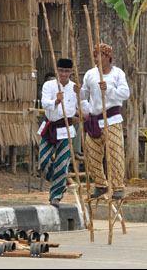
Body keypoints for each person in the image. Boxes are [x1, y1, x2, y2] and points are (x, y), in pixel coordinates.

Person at [75, 43, 130, 199]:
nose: (95, 59)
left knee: (115, 153)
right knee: (91, 154)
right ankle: (100, 185)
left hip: (112, 119)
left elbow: (125, 93)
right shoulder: (90, 74)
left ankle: (118, 186)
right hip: (94, 120)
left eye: (98, 56)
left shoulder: (117, 74)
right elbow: (85, 95)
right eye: (94, 56)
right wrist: (79, 93)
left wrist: (109, 89)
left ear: (107, 57)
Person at [37, 59, 86, 207]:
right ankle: (58, 178)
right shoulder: (49, 85)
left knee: (62, 163)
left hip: (66, 130)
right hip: (50, 127)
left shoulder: (75, 88)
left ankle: (56, 196)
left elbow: (84, 104)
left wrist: (81, 96)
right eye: (61, 71)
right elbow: (44, 103)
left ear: (71, 72)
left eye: (66, 71)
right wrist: (56, 101)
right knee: (44, 160)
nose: (63, 74)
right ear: (57, 70)